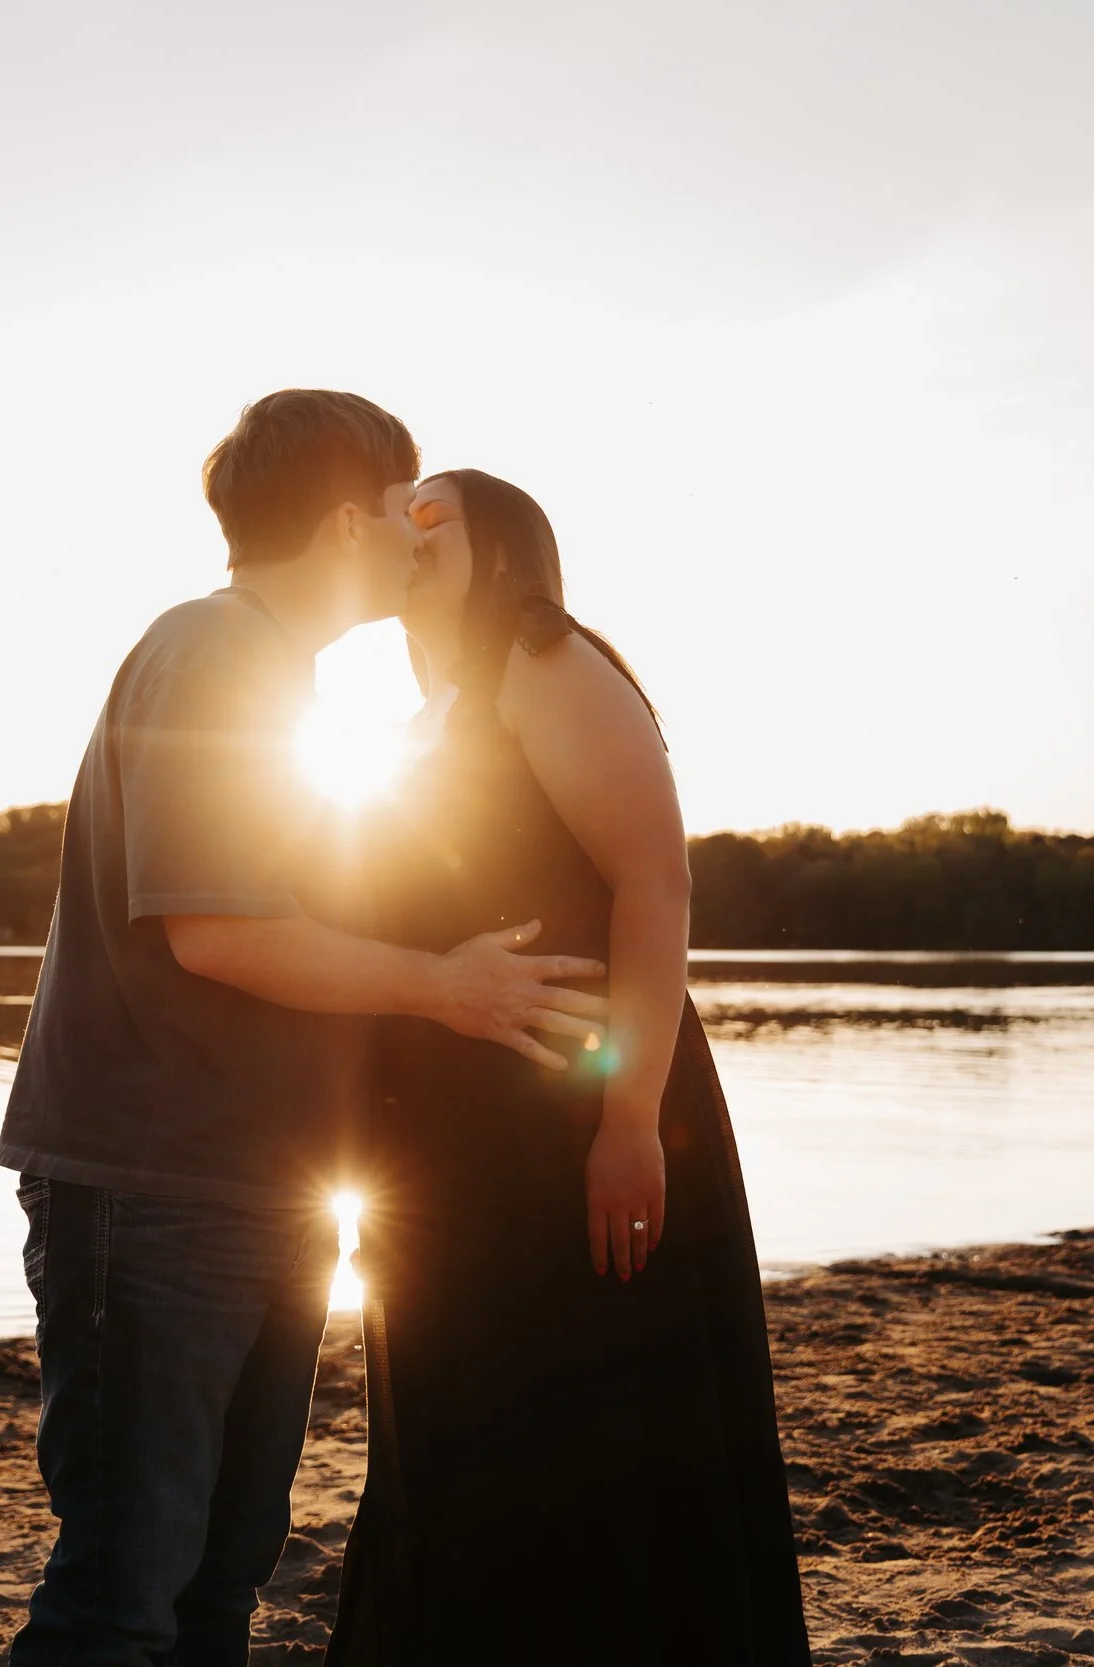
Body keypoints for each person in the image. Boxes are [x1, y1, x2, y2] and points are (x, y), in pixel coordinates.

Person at [0, 393, 612, 1667]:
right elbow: (217, 931)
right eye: (401, 506)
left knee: (223, 1576)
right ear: (347, 519)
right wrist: (448, 986)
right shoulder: (214, 652)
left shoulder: (282, 676)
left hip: (260, 1185)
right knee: (123, 1590)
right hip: (153, 1191)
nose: (416, 526)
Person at [328, 470, 811, 1663]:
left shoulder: (544, 660)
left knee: (588, 1419)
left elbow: (654, 883)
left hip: (574, 1110)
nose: (411, 525)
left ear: (504, 551)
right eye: (404, 511)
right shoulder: (418, 717)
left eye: (438, 511)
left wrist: (629, 1119)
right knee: (463, 1420)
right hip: (450, 1136)